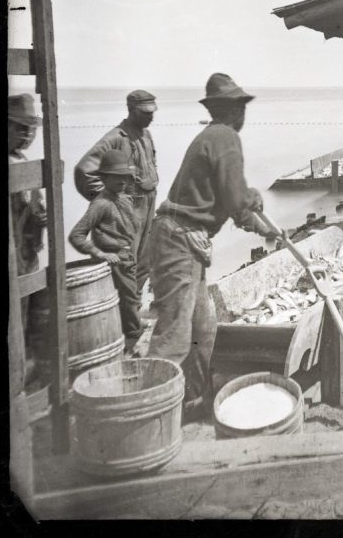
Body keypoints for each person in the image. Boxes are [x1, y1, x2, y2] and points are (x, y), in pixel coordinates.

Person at [147, 73, 277, 422]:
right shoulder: (226, 138)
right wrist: (265, 229)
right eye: (239, 107)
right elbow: (235, 203)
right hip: (179, 241)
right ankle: (152, 416)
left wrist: (251, 198)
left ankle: (197, 403)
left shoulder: (212, 137)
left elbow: (229, 192)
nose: (243, 113)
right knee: (174, 337)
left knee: (204, 331)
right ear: (231, 110)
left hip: (185, 242)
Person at [74, 90, 158, 300]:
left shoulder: (146, 135)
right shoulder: (114, 138)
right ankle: (122, 317)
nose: (151, 116)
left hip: (148, 205)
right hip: (129, 209)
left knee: (145, 261)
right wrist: (108, 202)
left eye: (152, 112)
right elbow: (84, 171)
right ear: (131, 110)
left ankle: (134, 311)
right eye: (145, 113)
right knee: (125, 262)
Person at [68, 150, 143, 353]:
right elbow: (76, 236)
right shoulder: (100, 204)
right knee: (128, 303)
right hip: (114, 262)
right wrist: (100, 254)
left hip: (127, 259)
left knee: (131, 301)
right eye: (116, 176)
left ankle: (131, 338)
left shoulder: (124, 199)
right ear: (103, 177)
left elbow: (130, 229)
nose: (122, 181)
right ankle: (133, 344)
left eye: (125, 177)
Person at [9, 94, 47, 344]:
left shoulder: (23, 160)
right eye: (19, 128)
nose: (26, 135)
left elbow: (35, 206)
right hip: (13, 254)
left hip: (27, 252)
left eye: (30, 129)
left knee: (24, 316)